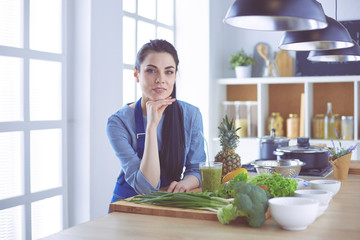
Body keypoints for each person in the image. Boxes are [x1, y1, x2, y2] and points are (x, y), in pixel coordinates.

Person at [107, 39, 206, 203]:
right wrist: (151, 126)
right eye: (151, 71)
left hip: (169, 202)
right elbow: (147, 188)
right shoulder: (118, 123)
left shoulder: (191, 115)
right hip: (128, 206)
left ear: (175, 75)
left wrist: (186, 183)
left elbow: (196, 169)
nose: (161, 79)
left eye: (168, 72)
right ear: (136, 74)